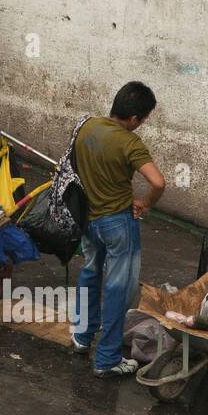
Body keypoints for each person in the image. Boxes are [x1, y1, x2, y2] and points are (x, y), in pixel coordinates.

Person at [70, 82, 166, 377]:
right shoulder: (129, 142)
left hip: (88, 219)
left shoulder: (86, 126)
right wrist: (146, 202)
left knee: (89, 273)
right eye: (144, 119)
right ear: (135, 118)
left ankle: (82, 337)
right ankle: (107, 359)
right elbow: (159, 182)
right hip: (117, 224)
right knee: (116, 290)